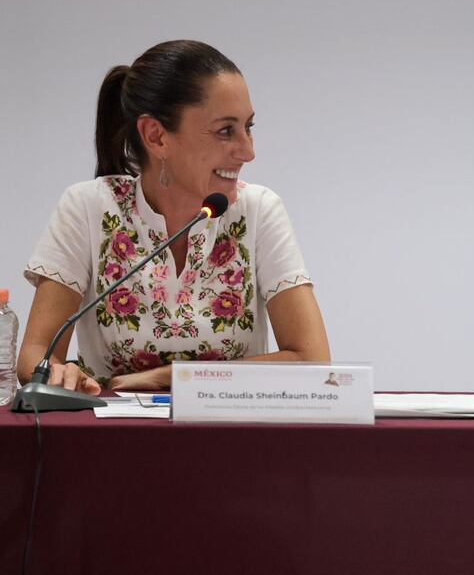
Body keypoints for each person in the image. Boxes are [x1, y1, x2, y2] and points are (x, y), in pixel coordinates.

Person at [16, 40, 330, 393]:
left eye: (249, 127)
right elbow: (35, 355)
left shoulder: (258, 210)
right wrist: (60, 374)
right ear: (156, 136)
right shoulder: (88, 207)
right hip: (110, 441)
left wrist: (172, 377)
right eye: (226, 130)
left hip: (236, 440)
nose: (248, 151)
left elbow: (312, 361)